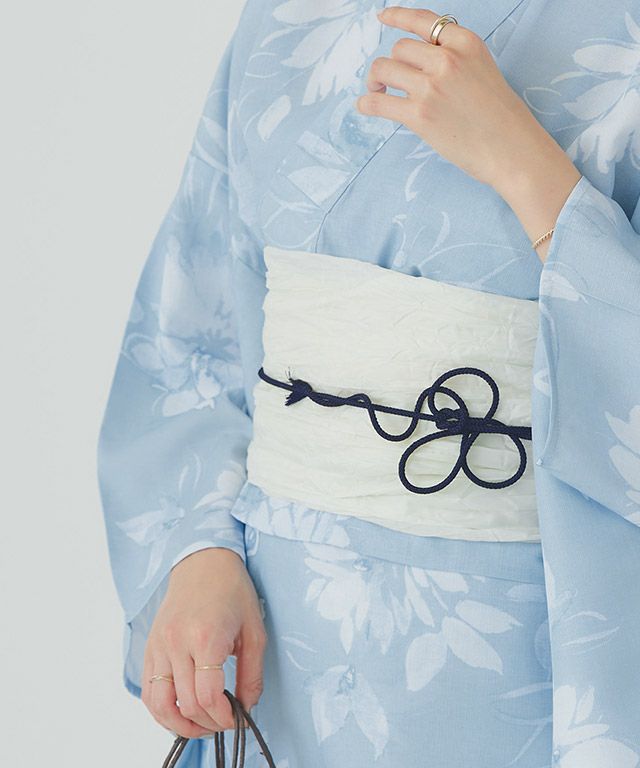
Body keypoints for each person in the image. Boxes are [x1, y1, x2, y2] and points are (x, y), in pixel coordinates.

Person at [96, 1, 640, 765]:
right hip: (280, 631)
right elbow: (196, 328)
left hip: (527, 650)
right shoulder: (285, 16)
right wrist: (198, 550)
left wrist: (530, 173)